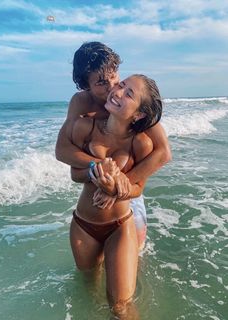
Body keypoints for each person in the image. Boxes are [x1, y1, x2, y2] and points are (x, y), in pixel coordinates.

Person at [55, 41, 171, 250]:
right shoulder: (82, 103)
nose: (112, 87)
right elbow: (63, 150)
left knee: (135, 250)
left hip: (129, 187)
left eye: (113, 76)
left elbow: (163, 152)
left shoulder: (130, 104)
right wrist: (103, 167)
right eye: (101, 82)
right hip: (98, 190)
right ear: (86, 85)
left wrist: (119, 185)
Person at [70, 74, 162, 317]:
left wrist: (118, 189)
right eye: (122, 85)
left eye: (129, 93)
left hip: (119, 227)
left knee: (120, 307)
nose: (118, 91)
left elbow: (138, 188)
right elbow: (74, 174)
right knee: (89, 290)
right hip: (83, 225)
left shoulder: (140, 143)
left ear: (139, 114)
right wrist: (96, 174)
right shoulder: (85, 126)